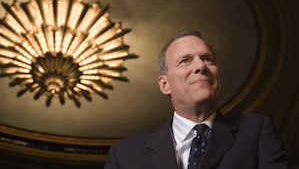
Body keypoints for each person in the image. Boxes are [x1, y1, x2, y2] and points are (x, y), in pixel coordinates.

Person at [104, 30, 288, 169]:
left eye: (208, 59)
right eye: (185, 60)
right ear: (164, 85)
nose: (201, 65)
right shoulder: (124, 154)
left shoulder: (256, 130)